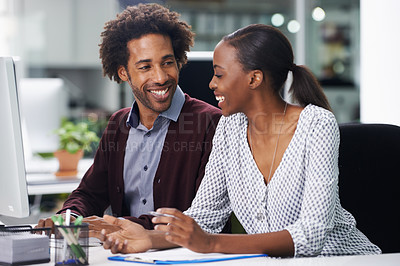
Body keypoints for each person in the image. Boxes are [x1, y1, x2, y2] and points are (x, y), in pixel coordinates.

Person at [99, 24, 381, 257]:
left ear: (254, 78)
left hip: (343, 260)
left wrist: (211, 243)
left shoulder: (316, 124)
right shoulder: (229, 128)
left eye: (219, 74)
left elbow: (311, 235)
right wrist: (150, 238)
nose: (211, 83)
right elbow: (205, 216)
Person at [36, 3, 221, 235]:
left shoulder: (211, 124)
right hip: (126, 252)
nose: (161, 77)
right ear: (123, 72)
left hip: (178, 254)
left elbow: (201, 213)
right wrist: (69, 216)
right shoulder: (118, 125)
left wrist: (116, 225)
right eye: (145, 67)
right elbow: (91, 192)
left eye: (167, 62)